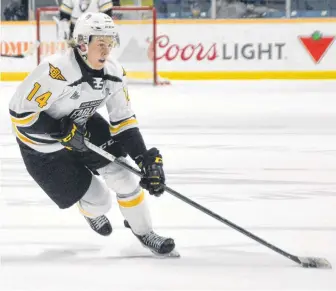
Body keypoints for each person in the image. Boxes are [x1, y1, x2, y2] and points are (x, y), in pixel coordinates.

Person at [9, 12, 177, 257]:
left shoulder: (114, 73)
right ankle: (90, 210)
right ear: (83, 43)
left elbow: (123, 121)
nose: (106, 50)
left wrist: (144, 159)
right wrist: (59, 131)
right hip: (41, 147)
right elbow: (21, 114)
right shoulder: (57, 70)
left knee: (124, 177)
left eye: (110, 43)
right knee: (100, 201)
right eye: (101, 44)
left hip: (80, 124)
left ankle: (145, 232)